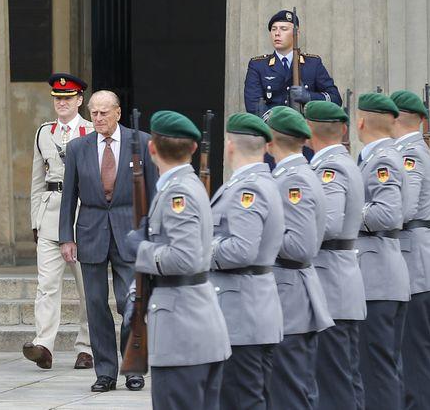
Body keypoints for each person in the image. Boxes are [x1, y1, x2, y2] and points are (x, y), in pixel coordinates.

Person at [124, 110, 230, 410]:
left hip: (181, 334)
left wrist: (141, 250)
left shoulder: (177, 193)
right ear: (193, 149)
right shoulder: (187, 185)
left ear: (151, 148)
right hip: (196, 329)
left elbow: (184, 258)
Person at [59, 90, 158, 392]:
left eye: (104, 112)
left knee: (131, 301)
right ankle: (105, 371)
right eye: (94, 113)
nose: (98, 118)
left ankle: (133, 366)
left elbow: (153, 192)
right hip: (90, 231)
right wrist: (66, 237)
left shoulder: (140, 141)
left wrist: (152, 234)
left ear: (117, 112)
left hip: (130, 233)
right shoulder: (78, 147)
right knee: (95, 304)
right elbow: (69, 196)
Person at [208, 113, 283, 409]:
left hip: (242, 315)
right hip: (251, 310)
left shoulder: (246, 190)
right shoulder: (261, 182)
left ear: (229, 146)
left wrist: (201, 248)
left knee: (240, 400)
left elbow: (241, 250)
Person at [263, 106, 334, 409]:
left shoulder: (294, 180)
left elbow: (301, 246)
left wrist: (257, 234)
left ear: (270, 140)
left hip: (290, 296)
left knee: (290, 391)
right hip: (288, 293)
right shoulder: (289, 174)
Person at [389, 90, 430, 410]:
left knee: (417, 357)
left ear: (394, 118)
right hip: (426, 262)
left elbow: (404, 209)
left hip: (418, 265)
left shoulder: (409, 155)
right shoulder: (412, 150)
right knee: (427, 355)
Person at [25, 73, 93, 370]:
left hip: (82, 216)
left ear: (79, 100)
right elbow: (37, 180)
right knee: (47, 285)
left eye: (67, 98)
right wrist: (35, 221)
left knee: (87, 287)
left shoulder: (91, 131)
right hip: (51, 214)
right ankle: (44, 344)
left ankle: (87, 346)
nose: (61, 103)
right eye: (57, 99)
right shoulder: (44, 132)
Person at [306, 101, 367, 410]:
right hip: (339, 278)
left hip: (332, 280)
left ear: (307, 130)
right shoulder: (340, 162)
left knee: (333, 382)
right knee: (345, 378)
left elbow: (329, 224)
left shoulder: (329, 168)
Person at [353, 93, 411, 410]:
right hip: (379, 274)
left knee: (378, 369)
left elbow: (388, 215)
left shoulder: (383, 159)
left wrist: (350, 212)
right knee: (380, 365)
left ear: (360, 121)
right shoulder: (376, 157)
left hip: (379, 278)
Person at [243, 9, 340, 117]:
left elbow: (335, 98)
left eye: (283, 29)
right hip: (272, 130)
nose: (277, 33)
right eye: (273, 29)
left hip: (305, 130)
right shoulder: (258, 66)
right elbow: (253, 104)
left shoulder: (313, 64)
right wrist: (279, 125)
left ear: (296, 33)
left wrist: (309, 97)